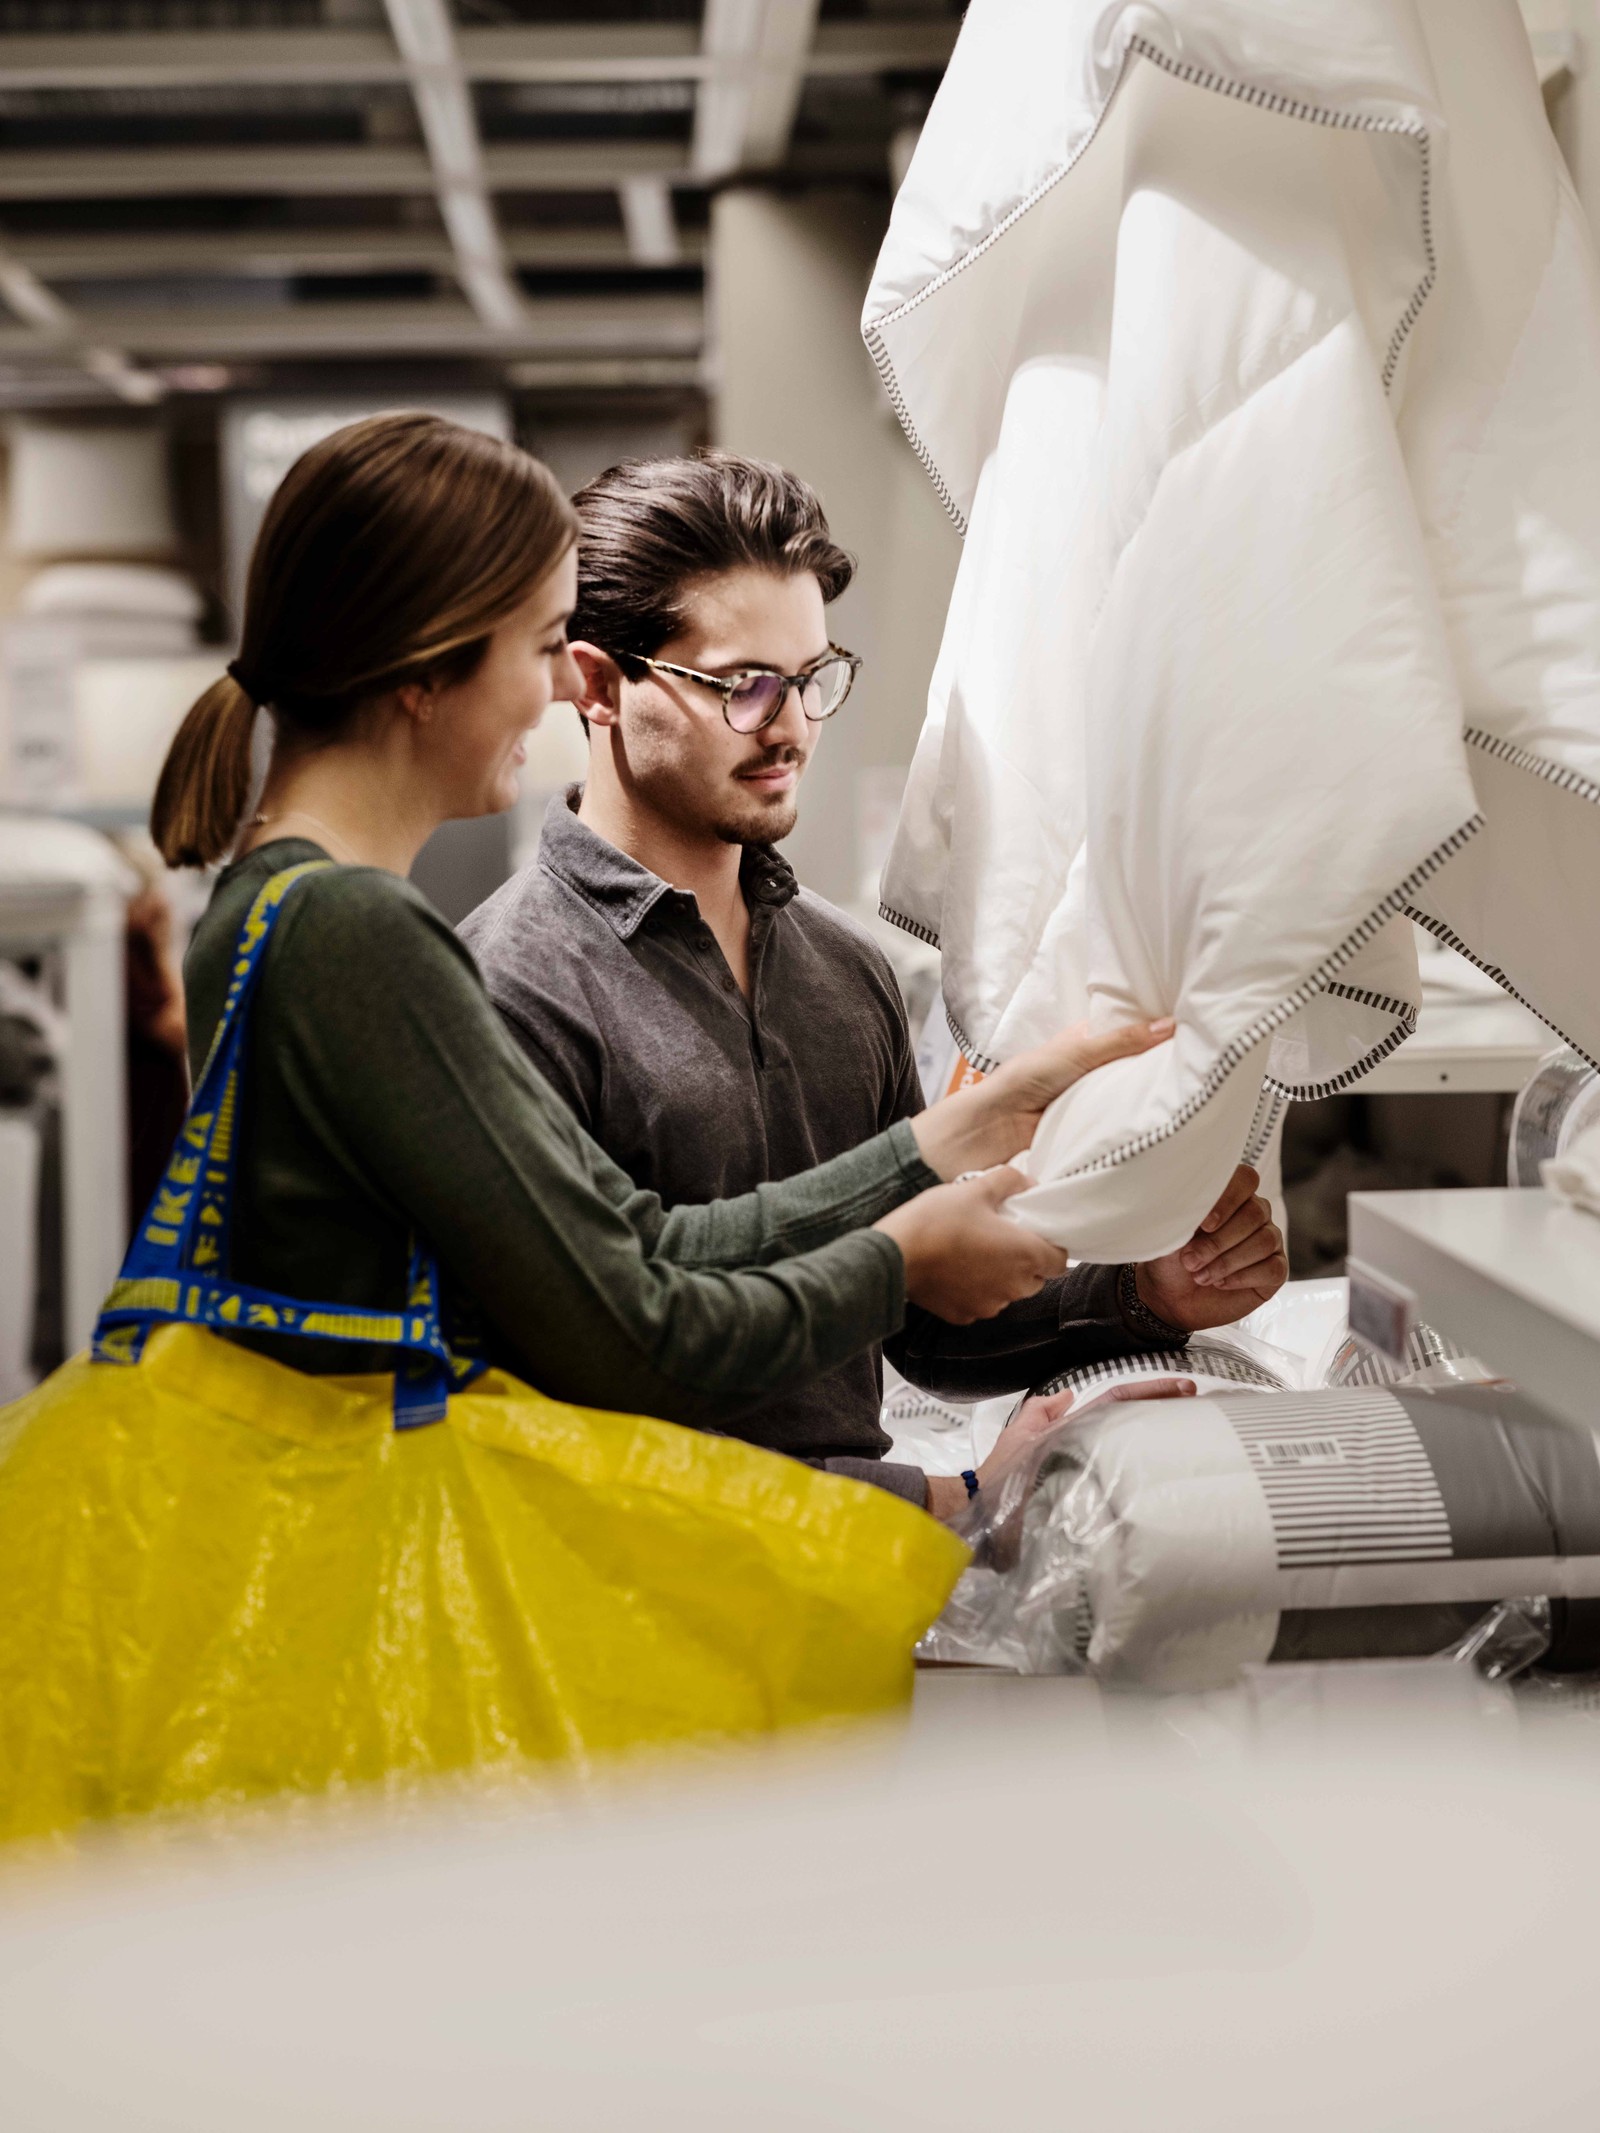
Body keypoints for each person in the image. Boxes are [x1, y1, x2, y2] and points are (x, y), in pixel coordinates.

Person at [0, 413, 1191, 1841]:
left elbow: (639, 1249)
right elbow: (626, 1318)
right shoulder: (360, 932)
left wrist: (948, 1142)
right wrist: (907, 1311)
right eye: (534, 645)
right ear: (428, 670)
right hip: (377, 1568)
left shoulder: (268, 904)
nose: (544, 696)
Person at [461, 452, 1288, 1516]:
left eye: (810, 679)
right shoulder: (508, 990)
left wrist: (1144, 1295)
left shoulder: (842, 972)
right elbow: (575, 1405)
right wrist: (944, 1497)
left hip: (850, 1584)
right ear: (598, 686)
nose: (792, 726)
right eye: (740, 685)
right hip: (627, 1623)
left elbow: (918, 1318)